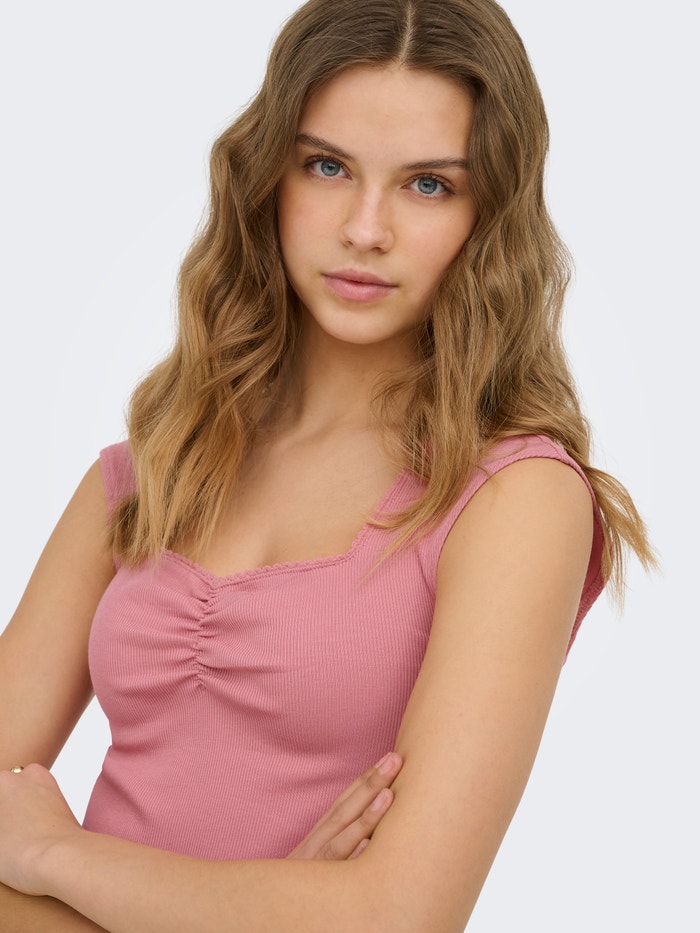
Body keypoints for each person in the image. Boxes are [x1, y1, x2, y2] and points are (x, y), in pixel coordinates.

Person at [0, 0, 655, 929]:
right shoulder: (150, 467)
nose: (365, 228)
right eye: (328, 166)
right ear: (268, 174)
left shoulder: (515, 497)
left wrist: (48, 855)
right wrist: (270, 910)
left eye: (428, 184)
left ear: (490, 215)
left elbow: (398, 915)